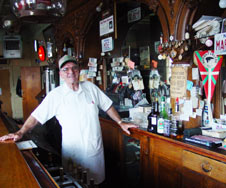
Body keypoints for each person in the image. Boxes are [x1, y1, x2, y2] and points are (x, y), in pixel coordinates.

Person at [0, 55, 138, 185]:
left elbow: (107, 106)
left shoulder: (90, 88)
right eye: (66, 69)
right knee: (77, 183)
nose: (70, 72)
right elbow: (36, 116)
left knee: (96, 183)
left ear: (79, 71)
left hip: (94, 151)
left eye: (74, 68)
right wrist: (21, 132)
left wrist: (120, 122)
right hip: (73, 155)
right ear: (60, 74)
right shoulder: (56, 96)